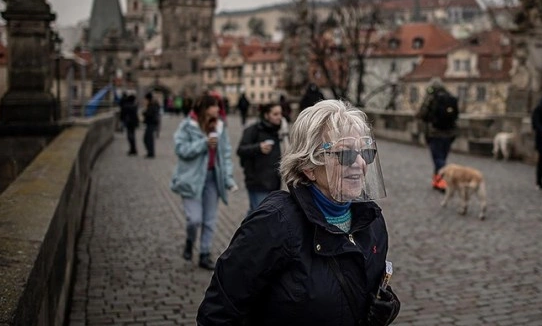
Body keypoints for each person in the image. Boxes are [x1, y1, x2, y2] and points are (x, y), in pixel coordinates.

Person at [198, 99, 400, 326]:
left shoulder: (371, 219)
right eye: (345, 155)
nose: (360, 163)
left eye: (365, 152)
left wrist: (386, 305)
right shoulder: (274, 223)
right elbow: (219, 312)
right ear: (309, 167)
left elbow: (366, 284)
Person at [171, 94, 237, 270]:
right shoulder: (187, 126)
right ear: (204, 108)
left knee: (209, 220)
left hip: (212, 178)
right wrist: (204, 143)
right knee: (194, 219)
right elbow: (181, 149)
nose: (218, 109)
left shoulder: (220, 127)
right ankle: (190, 240)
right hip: (191, 178)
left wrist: (228, 178)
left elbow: (225, 155)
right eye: (214, 106)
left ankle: (204, 254)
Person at [237, 103, 284, 215]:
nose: (279, 117)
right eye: (275, 114)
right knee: (259, 216)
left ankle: (247, 230)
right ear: (267, 115)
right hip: (257, 182)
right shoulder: (253, 130)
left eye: (280, 113)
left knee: (262, 215)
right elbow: (241, 150)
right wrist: (258, 147)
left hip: (274, 182)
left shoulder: (279, 132)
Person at [417, 82, 459, 192]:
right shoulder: (450, 98)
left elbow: (422, 114)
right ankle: (437, 181)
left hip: (435, 134)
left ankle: (443, 182)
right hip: (450, 134)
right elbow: (456, 116)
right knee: (442, 158)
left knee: (438, 159)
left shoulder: (432, 98)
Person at [142, 92, 160, 158]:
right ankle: (150, 152)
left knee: (148, 139)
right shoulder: (151, 105)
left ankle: (151, 153)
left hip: (151, 123)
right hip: (150, 123)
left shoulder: (152, 105)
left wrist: (144, 112)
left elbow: (150, 114)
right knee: (147, 138)